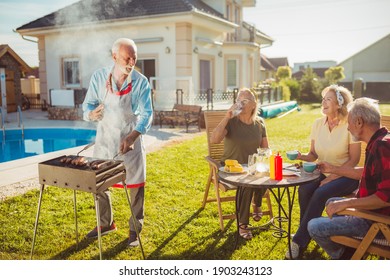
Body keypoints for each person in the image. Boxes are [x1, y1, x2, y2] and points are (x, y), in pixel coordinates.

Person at [82, 38, 153, 247]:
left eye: (134, 57)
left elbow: (147, 114)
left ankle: (134, 229)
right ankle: (105, 223)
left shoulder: (140, 82)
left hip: (130, 136)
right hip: (105, 137)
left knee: (136, 184)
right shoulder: (99, 77)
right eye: (126, 58)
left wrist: (132, 137)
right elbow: (87, 106)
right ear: (114, 57)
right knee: (100, 182)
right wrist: (90, 114)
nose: (131, 62)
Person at [308, 97, 390, 259]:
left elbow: (384, 198)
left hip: (378, 223)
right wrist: (334, 169)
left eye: (349, 122)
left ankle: (345, 257)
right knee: (331, 202)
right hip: (373, 213)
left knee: (314, 226)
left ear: (359, 122)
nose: (347, 128)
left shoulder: (382, 147)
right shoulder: (380, 141)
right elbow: (367, 173)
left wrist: (347, 202)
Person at [286, 85, 361, 259]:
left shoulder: (348, 124)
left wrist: (333, 176)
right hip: (322, 170)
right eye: (323, 99)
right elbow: (313, 155)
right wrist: (300, 156)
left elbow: (354, 160)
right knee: (304, 189)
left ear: (339, 104)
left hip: (347, 175)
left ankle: (298, 241)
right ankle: (305, 230)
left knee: (320, 192)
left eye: (328, 99)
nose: (323, 102)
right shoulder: (318, 123)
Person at [211, 87, 269, 240]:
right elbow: (215, 140)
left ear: (253, 104)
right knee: (246, 183)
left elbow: (265, 148)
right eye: (238, 100)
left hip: (253, 167)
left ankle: (256, 203)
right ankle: (243, 224)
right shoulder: (231, 122)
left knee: (268, 174)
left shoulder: (260, 123)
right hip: (230, 169)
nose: (240, 104)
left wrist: (265, 161)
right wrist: (226, 117)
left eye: (244, 101)